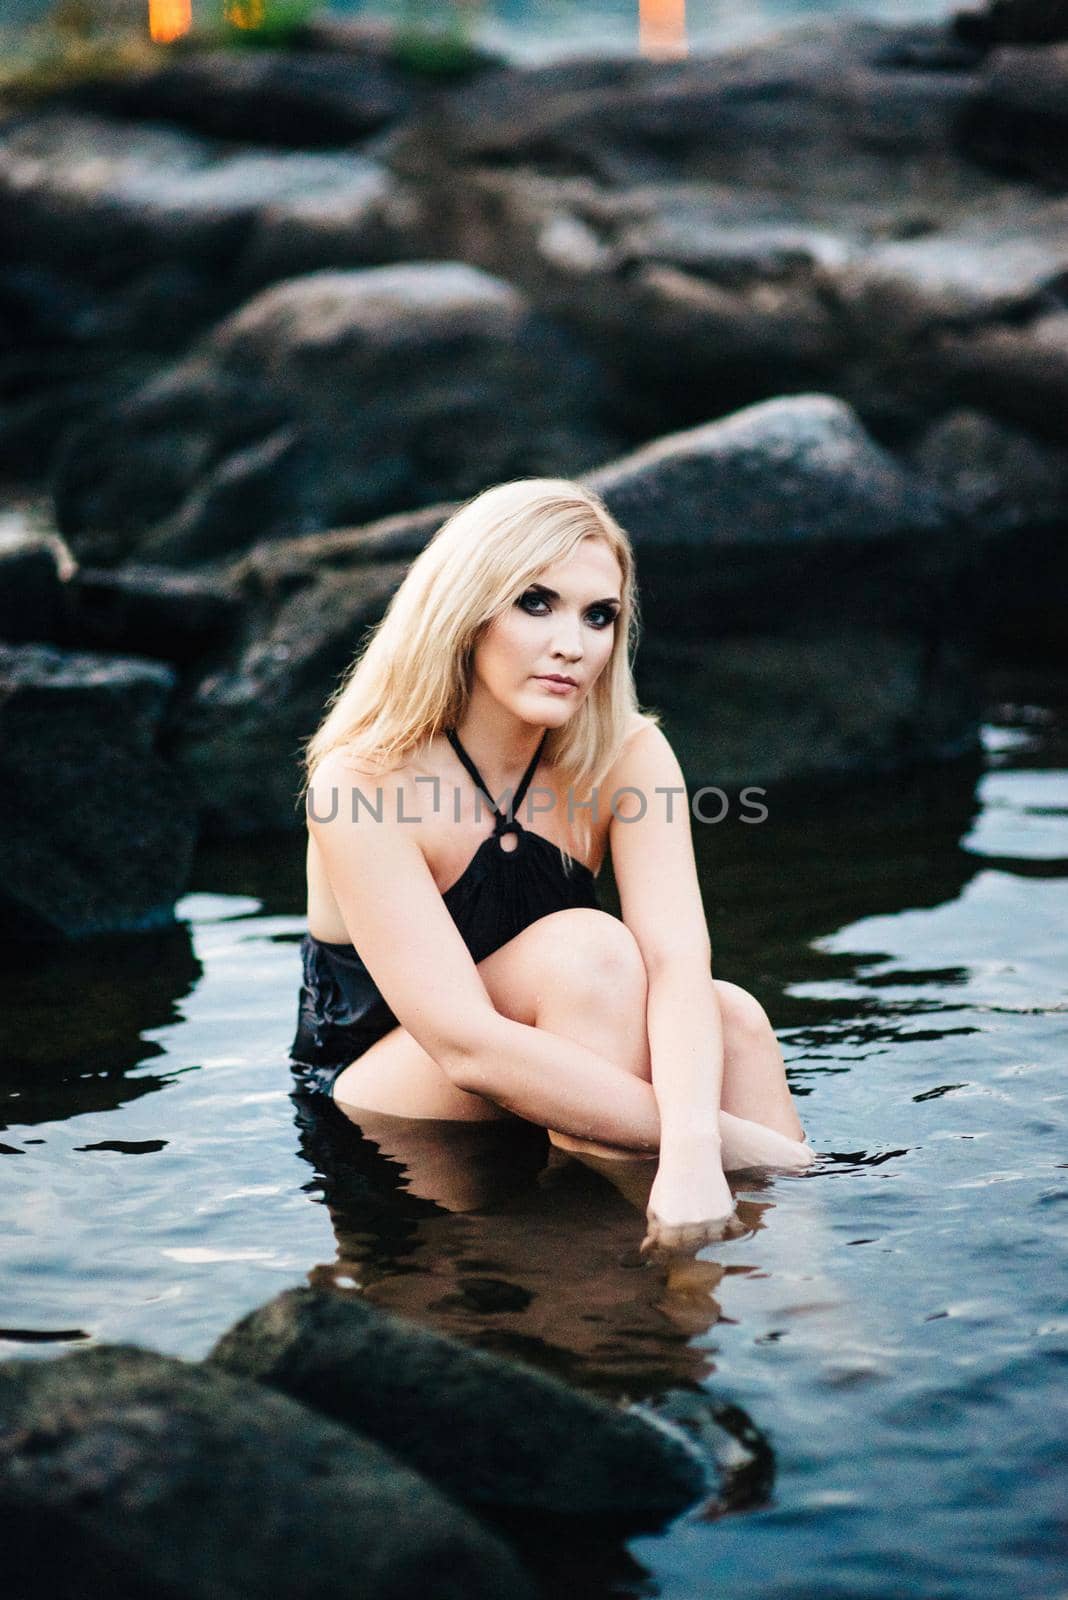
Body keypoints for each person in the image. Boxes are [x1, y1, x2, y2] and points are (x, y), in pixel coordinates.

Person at [291, 478, 813, 1251]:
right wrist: (739, 1151)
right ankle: (609, 1295)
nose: (574, 643)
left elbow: (676, 962)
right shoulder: (363, 781)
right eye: (537, 602)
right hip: (386, 1087)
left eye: (599, 615)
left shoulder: (629, 753)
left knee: (729, 1015)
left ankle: (805, 1300)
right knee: (591, 950)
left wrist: (697, 1150)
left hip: (562, 1046)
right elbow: (464, 1043)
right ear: (467, 611)